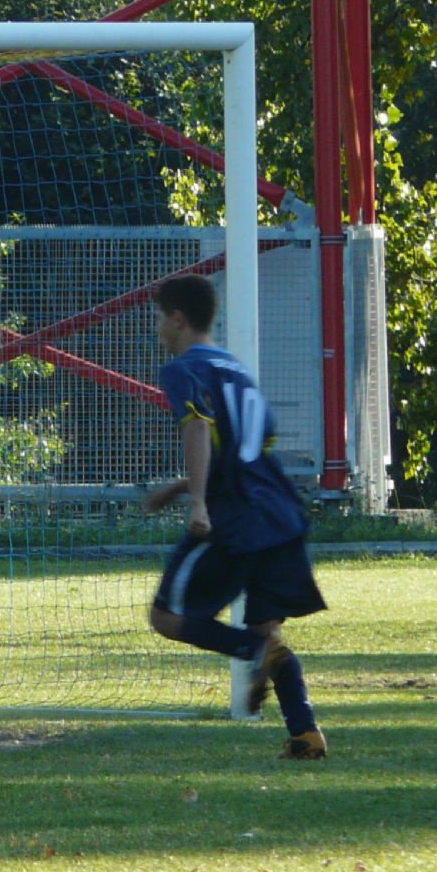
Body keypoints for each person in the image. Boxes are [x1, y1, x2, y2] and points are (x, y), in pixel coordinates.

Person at [142, 273, 329, 758]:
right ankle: (306, 734)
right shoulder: (237, 370)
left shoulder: (184, 368)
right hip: (279, 513)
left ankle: (254, 654)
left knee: (166, 617)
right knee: (267, 628)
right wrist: (180, 487)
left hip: (234, 516)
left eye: (159, 318)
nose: (157, 328)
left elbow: (198, 428)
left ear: (177, 319)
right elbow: (247, 449)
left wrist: (198, 502)